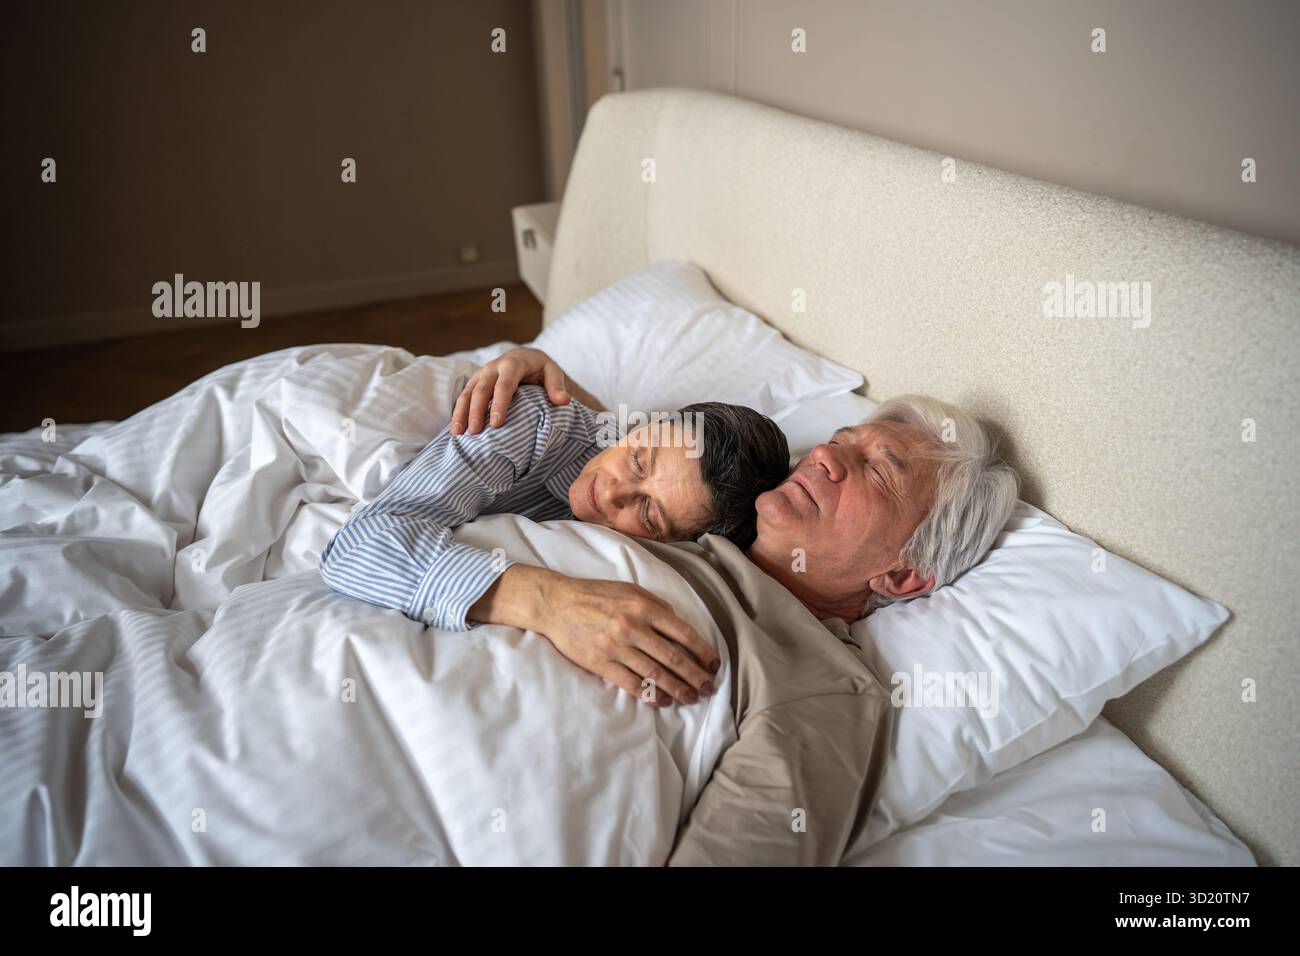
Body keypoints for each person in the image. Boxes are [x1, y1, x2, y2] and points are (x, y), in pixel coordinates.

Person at [319, 367, 791, 708]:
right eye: (638, 460)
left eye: (647, 514)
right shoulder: (530, 420)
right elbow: (357, 547)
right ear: (648, 424)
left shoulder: (663, 558)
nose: (611, 491)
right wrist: (549, 602)